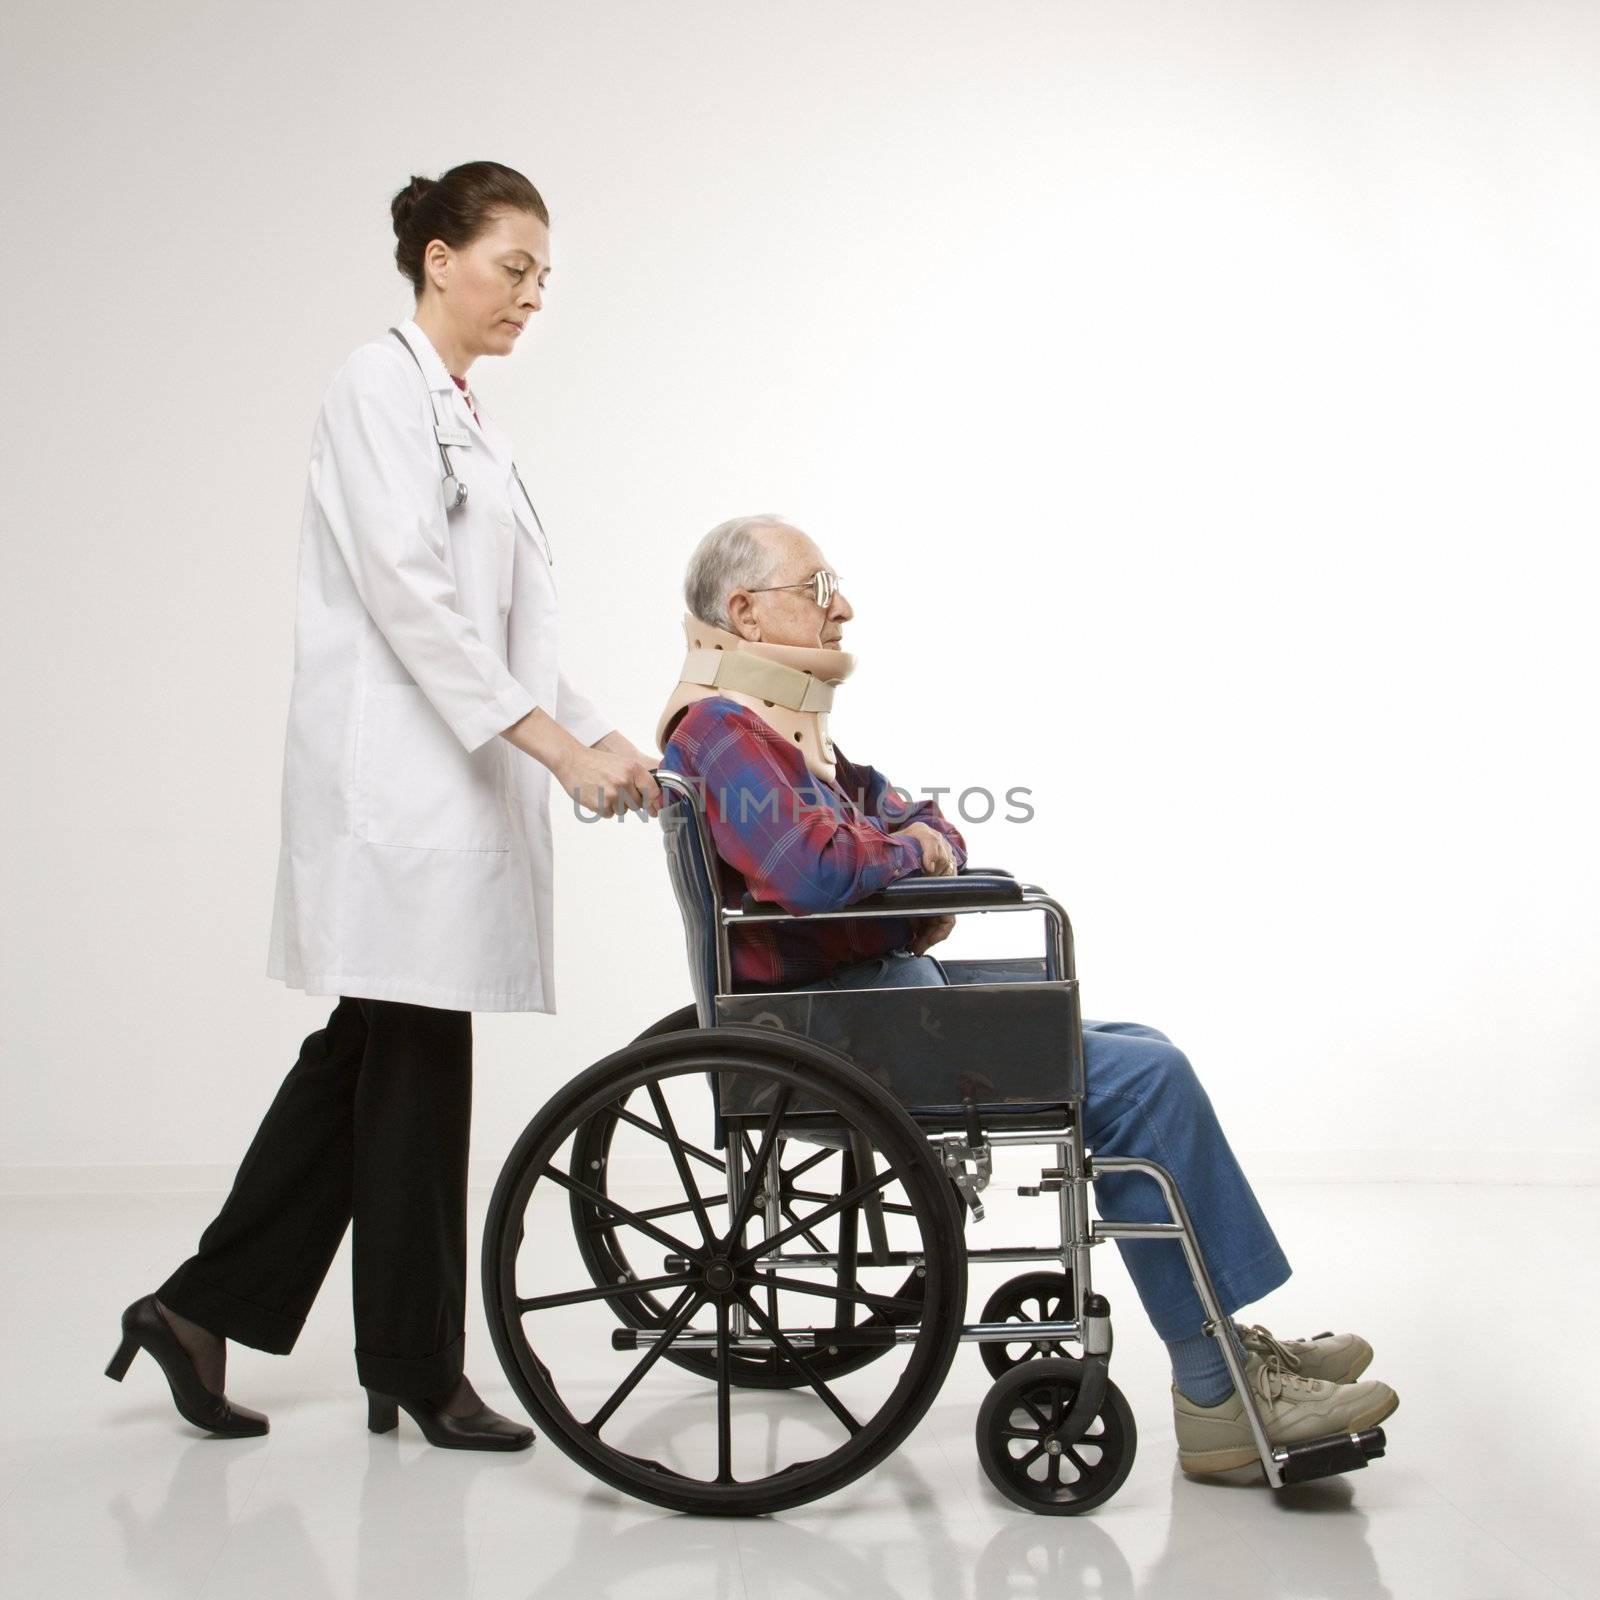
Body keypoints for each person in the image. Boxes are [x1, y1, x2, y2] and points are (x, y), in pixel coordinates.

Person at [105, 161, 662, 1451]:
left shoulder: (477, 426)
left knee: (375, 1060)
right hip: (396, 789)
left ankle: (201, 1310)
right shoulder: (374, 386)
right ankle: (411, 1364)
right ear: (438, 261)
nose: (531, 294)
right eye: (512, 266)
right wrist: (550, 749)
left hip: (454, 781)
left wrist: (598, 733)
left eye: (542, 276)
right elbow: (414, 596)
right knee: (407, 1066)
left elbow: (513, 629)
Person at [655, 514, 1399, 1479]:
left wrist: (908, 854)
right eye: (819, 584)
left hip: (869, 1005)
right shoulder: (723, 731)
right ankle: (1216, 1390)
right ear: (743, 610)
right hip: (837, 1035)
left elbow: (909, 816)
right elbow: (814, 870)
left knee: (1139, 1046)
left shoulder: (780, 733)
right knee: (1142, 1080)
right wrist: (905, 863)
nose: (844, 606)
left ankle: (1225, 1345)